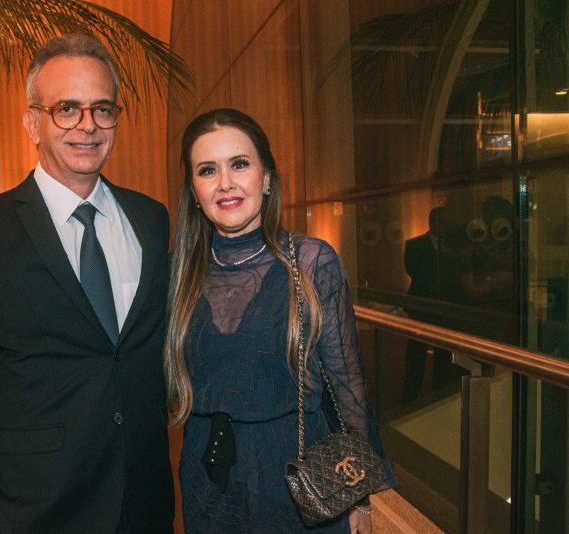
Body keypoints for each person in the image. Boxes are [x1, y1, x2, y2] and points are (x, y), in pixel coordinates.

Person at [0, 34, 174, 533]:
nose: (87, 126)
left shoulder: (151, 221)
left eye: (102, 109)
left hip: (144, 505)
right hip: (34, 510)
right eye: (67, 108)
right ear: (33, 123)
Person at [164, 108, 396, 534]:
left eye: (239, 164)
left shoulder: (310, 261)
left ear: (266, 178)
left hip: (297, 477)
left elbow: (348, 384)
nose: (225, 183)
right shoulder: (177, 273)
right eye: (207, 170)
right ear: (194, 191)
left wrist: (359, 491)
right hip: (207, 480)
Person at [401, 207, 454, 401]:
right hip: (422, 302)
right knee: (416, 349)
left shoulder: (453, 246)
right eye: (441, 221)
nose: (444, 226)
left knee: (443, 350)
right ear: (432, 222)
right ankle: (411, 390)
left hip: (444, 305)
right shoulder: (415, 244)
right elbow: (414, 270)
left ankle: (440, 389)